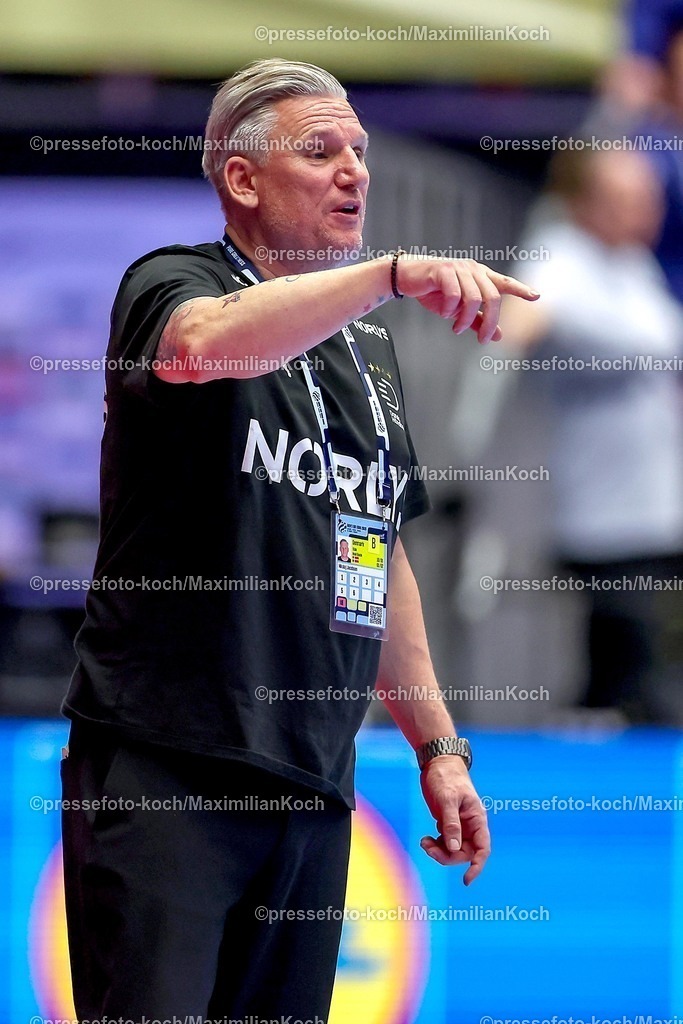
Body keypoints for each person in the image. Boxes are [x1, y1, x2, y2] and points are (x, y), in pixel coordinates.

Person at [60, 58, 537, 1020]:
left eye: (359, 151)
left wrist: (438, 744)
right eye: (321, 151)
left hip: (312, 779)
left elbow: (377, 546)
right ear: (242, 178)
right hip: (170, 763)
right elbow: (201, 349)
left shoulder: (366, 348)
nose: (354, 171)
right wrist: (390, 273)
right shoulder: (173, 281)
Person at [500, 147, 683, 721]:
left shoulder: (633, 265)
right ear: (584, 202)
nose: (647, 212)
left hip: (657, 505)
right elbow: (519, 318)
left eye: (650, 199)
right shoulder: (556, 260)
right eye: (630, 199)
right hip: (602, 512)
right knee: (627, 672)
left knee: (638, 670)